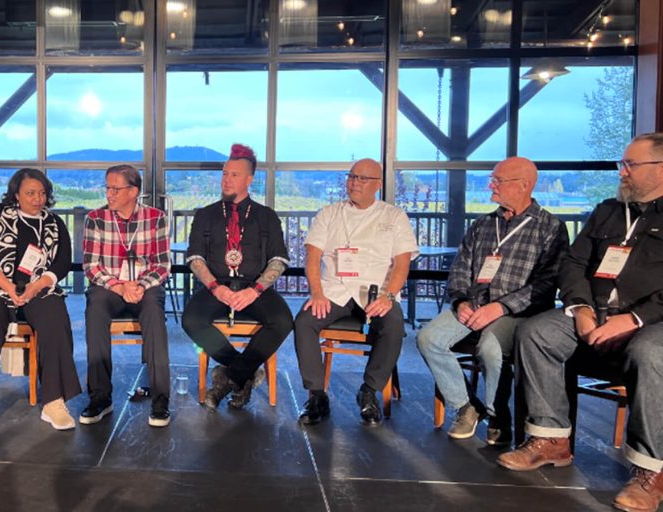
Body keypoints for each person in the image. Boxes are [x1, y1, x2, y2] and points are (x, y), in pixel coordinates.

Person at [497, 134, 663, 512]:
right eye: (622, 164)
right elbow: (572, 264)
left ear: (660, 169)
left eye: (631, 165)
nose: (622, 172)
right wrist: (580, 308)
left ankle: (651, 472)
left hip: (652, 322)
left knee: (651, 350)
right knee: (536, 332)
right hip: (595, 313)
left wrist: (633, 319)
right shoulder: (607, 211)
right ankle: (551, 438)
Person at [417, 157, 569, 445]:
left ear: (524, 185)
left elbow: (546, 284)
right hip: (475, 304)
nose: (491, 185)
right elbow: (460, 268)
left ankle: (498, 415)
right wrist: (461, 300)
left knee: (490, 347)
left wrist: (500, 307)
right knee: (428, 339)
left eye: (498, 180)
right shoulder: (483, 224)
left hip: (518, 312)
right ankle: (466, 406)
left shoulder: (550, 228)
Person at [293, 158, 418, 426]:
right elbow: (312, 256)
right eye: (351, 177)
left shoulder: (394, 216)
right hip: (334, 290)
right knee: (304, 321)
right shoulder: (329, 213)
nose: (354, 183)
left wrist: (389, 295)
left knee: (394, 324)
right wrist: (316, 293)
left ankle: (369, 391)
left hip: (375, 292)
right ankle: (316, 395)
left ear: (377, 184)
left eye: (362, 179)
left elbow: (402, 262)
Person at [0, 168, 81, 431]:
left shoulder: (55, 224)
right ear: (16, 194)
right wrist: (7, 285)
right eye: (30, 193)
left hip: (36, 286)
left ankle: (54, 401)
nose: (38, 199)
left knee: (55, 315)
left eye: (42, 193)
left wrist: (36, 287)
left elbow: (62, 263)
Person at [181, 144, 293, 411]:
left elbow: (279, 260)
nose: (226, 179)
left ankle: (228, 379)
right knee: (191, 320)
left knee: (282, 320)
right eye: (224, 173)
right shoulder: (205, 214)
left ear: (249, 179)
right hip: (215, 287)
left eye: (234, 174)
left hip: (254, 288)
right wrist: (215, 287)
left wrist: (255, 290)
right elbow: (195, 259)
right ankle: (245, 372)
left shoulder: (266, 216)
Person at [81, 165, 172, 427]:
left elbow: (162, 264)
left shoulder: (156, 218)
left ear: (133, 191)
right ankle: (100, 397)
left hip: (144, 286)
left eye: (115, 188)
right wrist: (119, 286)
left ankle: (160, 399)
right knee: (95, 305)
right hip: (110, 287)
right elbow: (91, 265)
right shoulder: (96, 218)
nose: (109, 193)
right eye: (107, 187)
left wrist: (140, 286)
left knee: (154, 311)